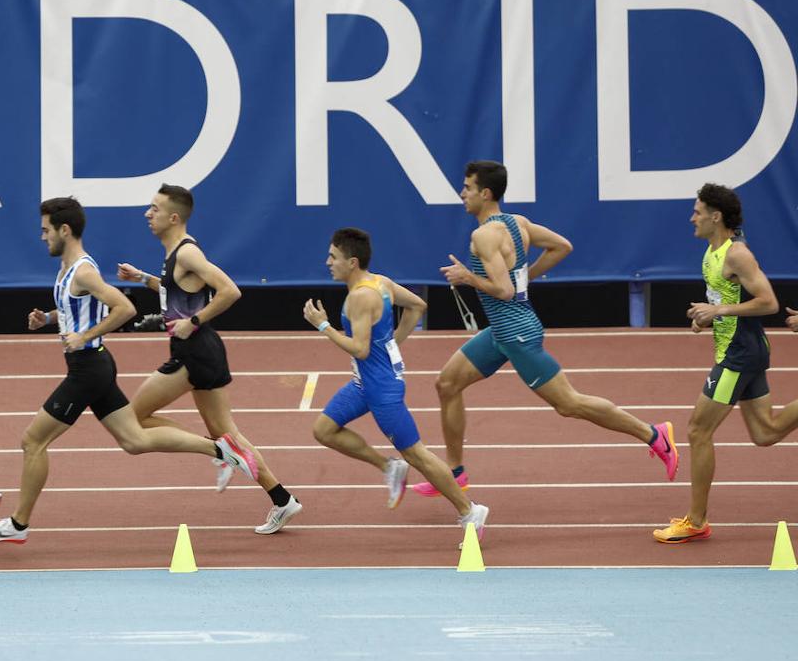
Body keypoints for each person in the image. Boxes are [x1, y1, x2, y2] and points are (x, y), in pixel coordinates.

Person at [0, 198, 259, 543]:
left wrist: (86, 336)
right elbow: (74, 307)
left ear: (65, 230)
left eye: (46, 230)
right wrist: (47, 319)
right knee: (134, 440)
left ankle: (18, 525)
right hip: (96, 367)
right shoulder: (69, 268)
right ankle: (219, 449)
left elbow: (124, 307)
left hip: (87, 370)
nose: (42, 236)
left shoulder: (84, 270)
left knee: (33, 440)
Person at [410, 160, 679, 497]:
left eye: (468, 188)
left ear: (486, 193)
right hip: (504, 329)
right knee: (447, 384)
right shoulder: (517, 223)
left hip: (516, 334)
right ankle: (455, 472)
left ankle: (653, 434)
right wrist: (528, 277)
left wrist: (468, 278)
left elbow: (504, 290)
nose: (462, 193)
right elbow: (562, 246)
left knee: (569, 404)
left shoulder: (484, 236)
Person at [117, 184, 301, 534]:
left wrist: (194, 321)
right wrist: (142, 278)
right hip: (205, 352)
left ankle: (216, 452)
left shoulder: (187, 254)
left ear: (174, 217)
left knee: (133, 418)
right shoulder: (178, 253)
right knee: (228, 433)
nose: (147, 214)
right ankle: (282, 499)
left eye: (154, 209)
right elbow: (177, 290)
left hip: (194, 353)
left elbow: (231, 290)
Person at [304, 228, 489, 537]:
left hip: (381, 389)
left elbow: (360, 348)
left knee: (417, 454)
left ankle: (470, 510)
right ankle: (390, 468)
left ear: (351, 262)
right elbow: (418, 306)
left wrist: (323, 325)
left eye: (333, 257)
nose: (328, 262)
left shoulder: (361, 297)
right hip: (366, 381)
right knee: (323, 429)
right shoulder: (382, 282)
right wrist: (393, 344)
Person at [654, 184, 798, 543]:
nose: (692, 217)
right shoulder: (711, 252)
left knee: (698, 430)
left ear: (715, 216)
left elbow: (769, 302)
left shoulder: (738, 254)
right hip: (738, 348)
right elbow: (726, 298)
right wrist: (708, 316)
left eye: (697, 211)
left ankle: (696, 521)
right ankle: (696, 520)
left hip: (740, 353)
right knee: (765, 432)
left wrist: (719, 310)